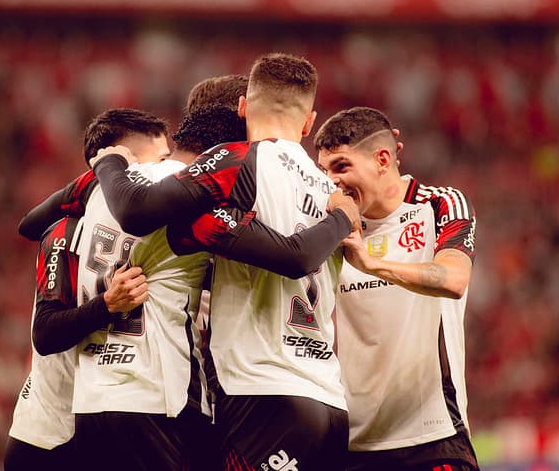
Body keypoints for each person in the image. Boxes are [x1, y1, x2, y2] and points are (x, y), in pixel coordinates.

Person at [21, 85, 360, 469]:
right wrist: (340, 219)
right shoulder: (192, 202)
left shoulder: (97, 192)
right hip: (163, 400)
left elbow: (29, 224)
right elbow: (291, 255)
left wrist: (106, 164)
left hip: (80, 409)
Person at [313, 106, 479, 471]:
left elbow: (453, 280)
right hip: (351, 443)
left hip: (434, 436)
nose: (331, 182)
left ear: (383, 159)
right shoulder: (327, 226)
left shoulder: (439, 205)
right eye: (323, 170)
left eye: (340, 167)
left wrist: (372, 264)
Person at [4, 108, 170, 471]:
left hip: (100, 423)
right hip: (49, 436)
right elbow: (45, 334)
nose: (165, 171)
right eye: (159, 160)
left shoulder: (153, 228)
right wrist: (107, 305)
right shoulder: (66, 231)